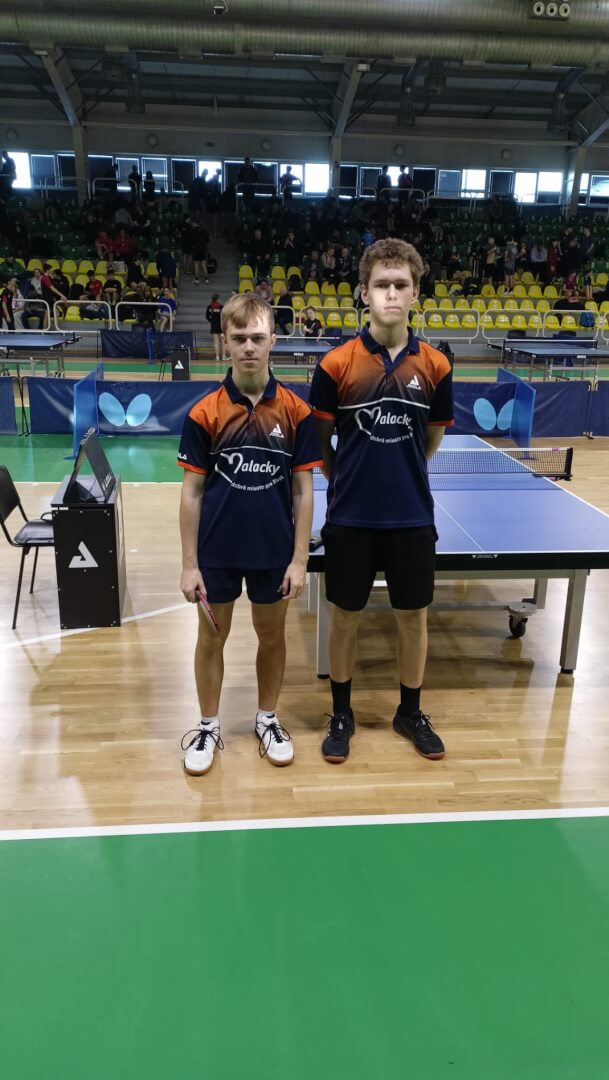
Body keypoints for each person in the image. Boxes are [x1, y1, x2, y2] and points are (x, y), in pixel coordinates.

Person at [308, 238, 454, 764]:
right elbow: (321, 444)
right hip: (350, 517)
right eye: (381, 285)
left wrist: (400, 472)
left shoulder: (436, 365)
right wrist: (346, 479)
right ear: (364, 294)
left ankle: (409, 712)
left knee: (413, 618)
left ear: (416, 294)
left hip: (411, 516)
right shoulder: (335, 365)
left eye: (401, 285)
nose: (391, 294)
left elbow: (430, 441)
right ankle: (341, 714)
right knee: (344, 617)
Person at [177, 292, 322, 775]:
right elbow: (192, 493)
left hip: (272, 554)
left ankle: (267, 718)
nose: (248, 347)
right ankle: (207, 726)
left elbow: (303, 491)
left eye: (257, 337)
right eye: (239, 338)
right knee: (210, 639)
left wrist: (299, 559)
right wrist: (189, 564)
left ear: (273, 341)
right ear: (225, 341)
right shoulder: (204, 413)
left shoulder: (297, 413)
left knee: (272, 637)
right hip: (216, 554)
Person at [206, 293, 225, 361]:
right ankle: (223, 357)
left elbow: (207, 316)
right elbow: (224, 316)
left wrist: (211, 321)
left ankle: (217, 357)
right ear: (218, 299)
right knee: (223, 342)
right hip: (221, 326)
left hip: (214, 326)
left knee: (216, 342)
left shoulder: (209, 307)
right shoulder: (221, 307)